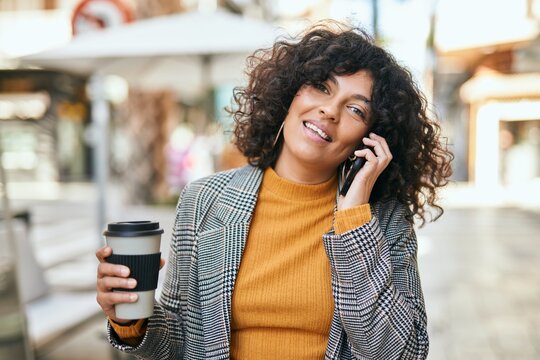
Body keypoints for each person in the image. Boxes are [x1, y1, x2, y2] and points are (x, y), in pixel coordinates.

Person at [96, 21, 453, 360]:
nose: (330, 110)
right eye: (321, 87)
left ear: (372, 137)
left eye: (356, 109)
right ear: (290, 93)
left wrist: (354, 221)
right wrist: (130, 320)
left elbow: (400, 353)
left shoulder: (385, 218)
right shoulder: (205, 200)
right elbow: (176, 345)